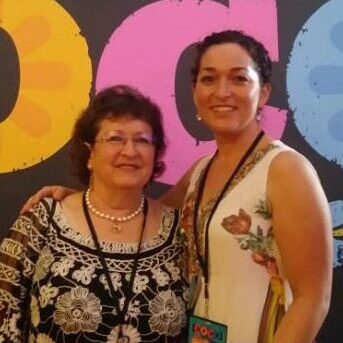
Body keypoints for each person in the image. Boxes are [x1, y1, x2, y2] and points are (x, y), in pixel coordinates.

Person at [19, 30, 332, 343]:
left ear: (263, 93)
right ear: (195, 91)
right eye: (209, 79)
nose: (222, 91)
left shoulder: (285, 170)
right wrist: (77, 203)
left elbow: (313, 299)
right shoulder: (200, 172)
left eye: (239, 79)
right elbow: (139, 215)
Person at [0, 85, 189, 342]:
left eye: (142, 141)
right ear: (90, 154)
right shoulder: (41, 222)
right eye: (115, 139)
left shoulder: (180, 232)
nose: (130, 151)